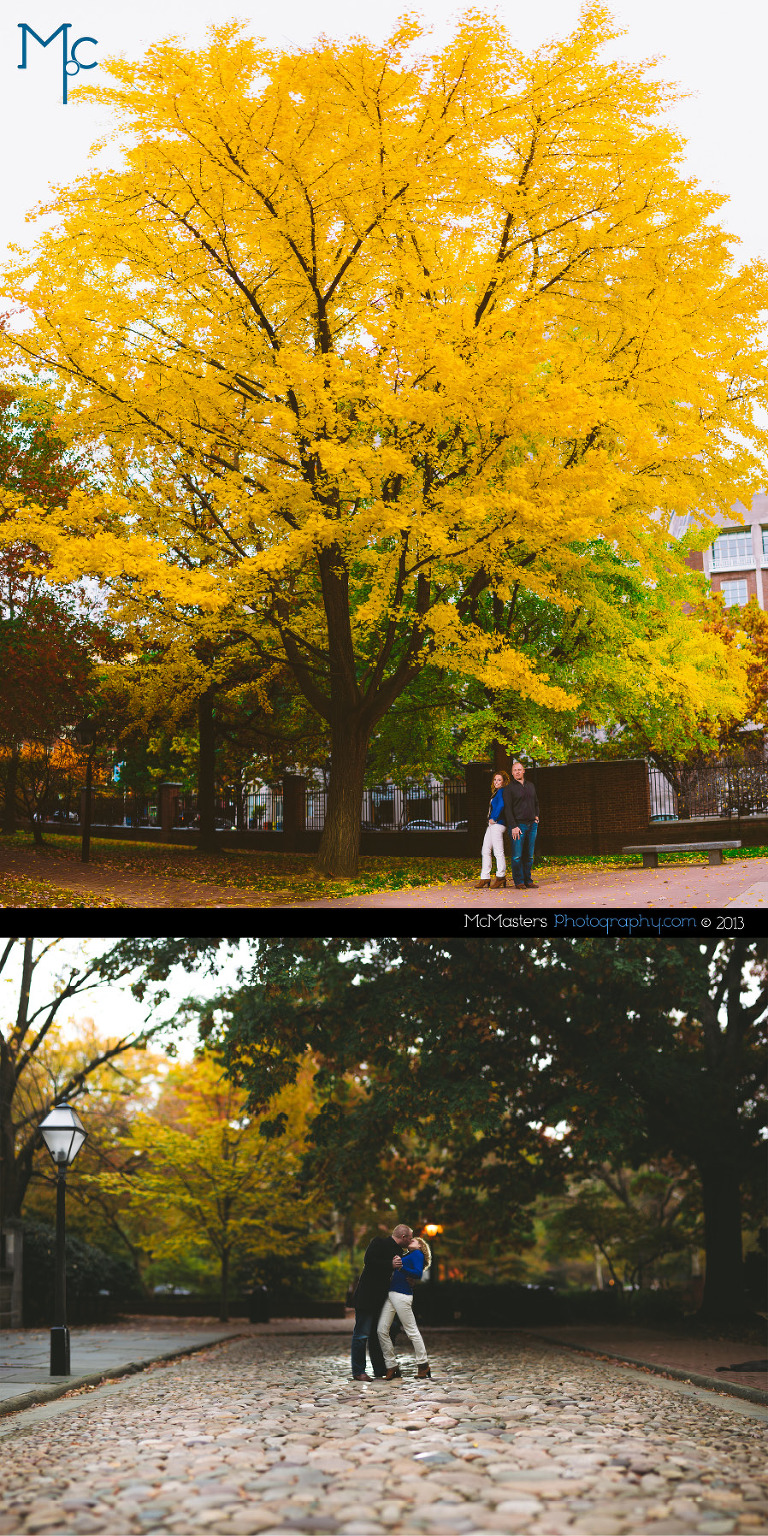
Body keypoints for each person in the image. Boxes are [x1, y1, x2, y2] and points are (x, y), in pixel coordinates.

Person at [350, 1223, 412, 1380]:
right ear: (403, 1237)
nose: (411, 1241)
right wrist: (389, 1264)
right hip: (367, 1297)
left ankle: (380, 1369)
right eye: (410, 1238)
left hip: (382, 1300)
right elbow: (369, 1261)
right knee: (361, 1335)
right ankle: (359, 1371)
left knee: (379, 1334)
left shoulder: (400, 1252)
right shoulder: (378, 1242)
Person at [377, 1236, 433, 1380]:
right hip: (392, 1294)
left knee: (411, 1331)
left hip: (402, 1295)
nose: (410, 1242)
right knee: (381, 1330)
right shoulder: (408, 1254)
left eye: (413, 1241)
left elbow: (418, 1274)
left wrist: (402, 1268)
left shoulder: (417, 1254)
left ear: (420, 1245)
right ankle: (391, 1365)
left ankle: (423, 1364)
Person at [502, 759, 539, 889]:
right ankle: (519, 881)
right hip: (518, 826)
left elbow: (535, 802)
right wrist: (513, 826)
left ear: (523, 771)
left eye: (519, 769)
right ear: (512, 773)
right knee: (517, 855)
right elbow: (507, 809)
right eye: (515, 770)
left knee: (529, 855)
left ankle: (528, 880)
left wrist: (536, 816)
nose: (517, 772)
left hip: (532, 825)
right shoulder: (508, 789)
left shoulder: (531, 786)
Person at [475, 770, 510, 889]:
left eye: (499, 780)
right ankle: (485, 877)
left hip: (498, 824)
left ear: (504, 781)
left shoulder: (502, 792)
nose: (496, 782)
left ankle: (501, 876)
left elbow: (501, 806)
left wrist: (493, 818)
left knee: (498, 851)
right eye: (495, 780)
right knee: (485, 850)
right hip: (492, 826)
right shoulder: (496, 792)